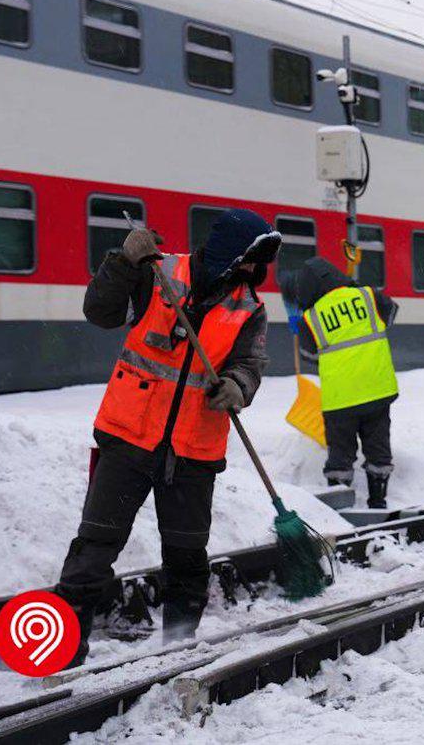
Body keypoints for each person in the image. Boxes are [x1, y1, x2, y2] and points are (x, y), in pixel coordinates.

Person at [55, 209, 280, 665]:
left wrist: (238, 385)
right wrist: (123, 262)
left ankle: (177, 649)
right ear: (230, 252)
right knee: (94, 549)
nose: (255, 268)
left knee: (187, 558)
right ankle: (62, 653)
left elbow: (250, 364)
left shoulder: (249, 308)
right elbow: (100, 312)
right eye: (251, 257)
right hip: (129, 438)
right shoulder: (158, 273)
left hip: (194, 451)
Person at [295, 256, 400, 508]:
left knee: (340, 454)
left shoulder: (311, 317)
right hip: (377, 389)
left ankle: (340, 506)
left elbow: (309, 355)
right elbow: (392, 314)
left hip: (340, 399)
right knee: (378, 447)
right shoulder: (367, 295)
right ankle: (378, 501)